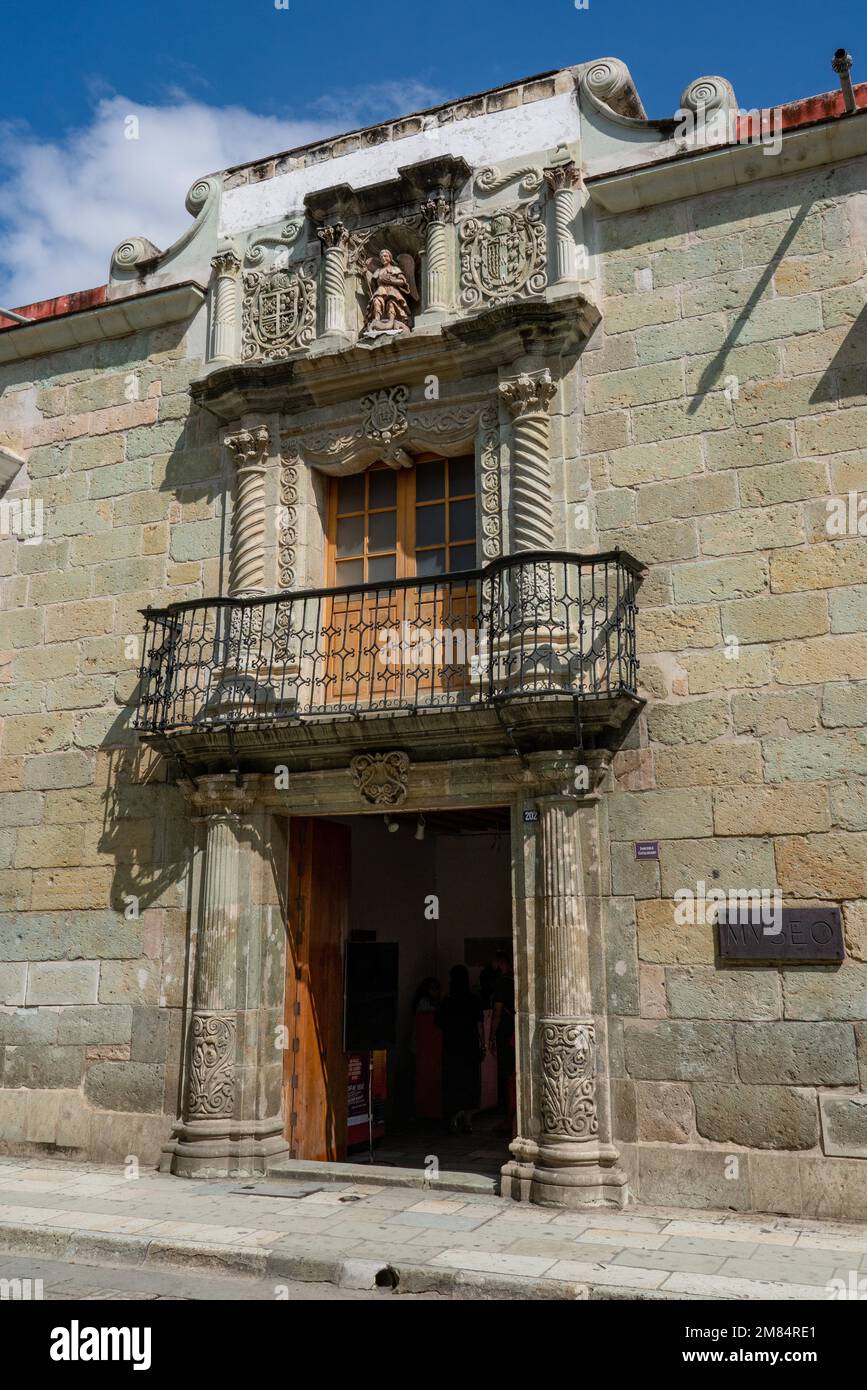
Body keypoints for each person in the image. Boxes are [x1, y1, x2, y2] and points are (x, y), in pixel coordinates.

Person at [435, 964, 484, 1134]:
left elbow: (438, 1022)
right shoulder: (474, 1000)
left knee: (453, 1083)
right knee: (470, 1083)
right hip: (469, 1047)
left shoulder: (447, 1001)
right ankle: (468, 1121)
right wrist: (483, 1044)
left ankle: (454, 1118)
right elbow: (479, 1025)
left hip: (452, 1048)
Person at [487, 949, 515, 1117]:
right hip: (514, 1030)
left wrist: (491, 1037)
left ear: (500, 963)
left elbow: (497, 1013)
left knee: (505, 1073)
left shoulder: (502, 983)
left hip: (505, 1032)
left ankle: (507, 1114)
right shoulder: (515, 980)